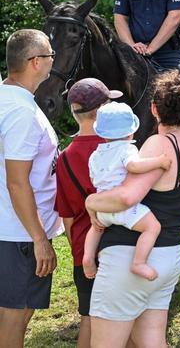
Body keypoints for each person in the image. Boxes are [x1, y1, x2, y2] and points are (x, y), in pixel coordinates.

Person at [84, 71, 180, 346]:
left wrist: (90, 203)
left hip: (129, 254)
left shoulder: (158, 144)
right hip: (170, 256)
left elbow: (126, 198)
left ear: (155, 109)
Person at [0, 29, 63, 347]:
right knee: (14, 317)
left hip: (15, 229)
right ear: (35, 62)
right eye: (51, 54)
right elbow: (16, 181)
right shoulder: (22, 113)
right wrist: (40, 239)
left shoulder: (9, 98)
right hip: (20, 235)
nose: (55, 59)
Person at [54, 78, 122, 348]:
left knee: (89, 319)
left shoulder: (64, 157)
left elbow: (67, 215)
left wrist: (80, 251)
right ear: (103, 109)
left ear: (74, 111)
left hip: (84, 251)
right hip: (119, 246)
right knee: (123, 322)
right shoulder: (119, 149)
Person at [83, 102, 171, 281]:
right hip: (125, 209)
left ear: (101, 133)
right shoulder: (127, 149)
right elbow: (134, 166)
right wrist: (158, 162)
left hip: (103, 207)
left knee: (95, 228)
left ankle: (87, 257)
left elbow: (94, 180)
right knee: (152, 227)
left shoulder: (95, 155)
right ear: (131, 132)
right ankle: (139, 262)